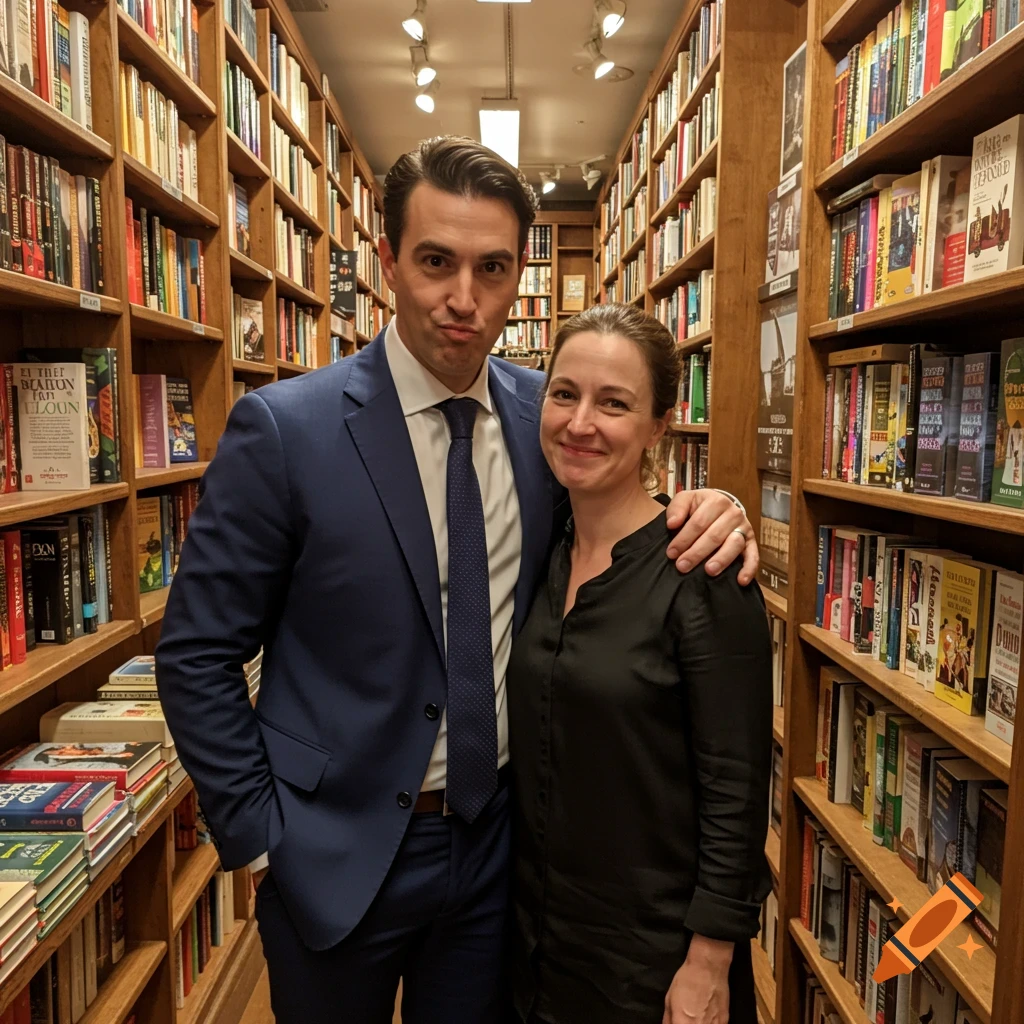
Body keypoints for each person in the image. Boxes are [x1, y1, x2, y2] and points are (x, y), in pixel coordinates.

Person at [154, 136, 759, 1024]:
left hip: (497, 860)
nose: (463, 299)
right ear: (389, 261)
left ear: (521, 275)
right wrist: (260, 837)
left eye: (493, 267)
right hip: (330, 854)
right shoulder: (285, 430)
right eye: (436, 261)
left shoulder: (543, 417)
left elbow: (614, 514)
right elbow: (197, 654)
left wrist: (713, 505)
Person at [508, 304, 773, 1024]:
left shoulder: (705, 571)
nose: (581, 422)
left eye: (614, 403)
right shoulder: (540, 549)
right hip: (534, 945)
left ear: (660, 425)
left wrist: (709, 964)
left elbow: (738, 790)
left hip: (653, 965)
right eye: (564, 394)